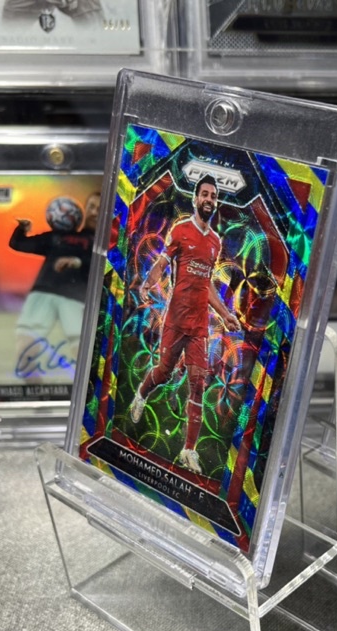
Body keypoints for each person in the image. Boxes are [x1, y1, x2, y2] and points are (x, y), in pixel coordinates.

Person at [129, 174, 241, 475]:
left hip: (198, 327)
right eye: (204, 194)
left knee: (198, 384)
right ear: (195, 199)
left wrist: (225, 314)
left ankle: (188, 451)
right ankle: (141, 394)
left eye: (213, 196)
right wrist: (148, 282)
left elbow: (207, 285)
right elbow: (162, 263)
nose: (209, 199)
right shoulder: (180, 230)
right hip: (176, 320)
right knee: (164, 371)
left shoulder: (215, 242)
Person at [11, 191, 100, 379]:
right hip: (43, 292)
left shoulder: (106, 244)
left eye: (100, 209)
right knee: (25, 351)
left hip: (76, 299)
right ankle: (36, 392)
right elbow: (18, 244)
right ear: (83, 210)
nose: (94, 212)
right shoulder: (57, 237)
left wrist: (77, 261)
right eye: (92, 207)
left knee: (84, 355)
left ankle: (83, 392)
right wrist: (22, 229)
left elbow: (103, 262)